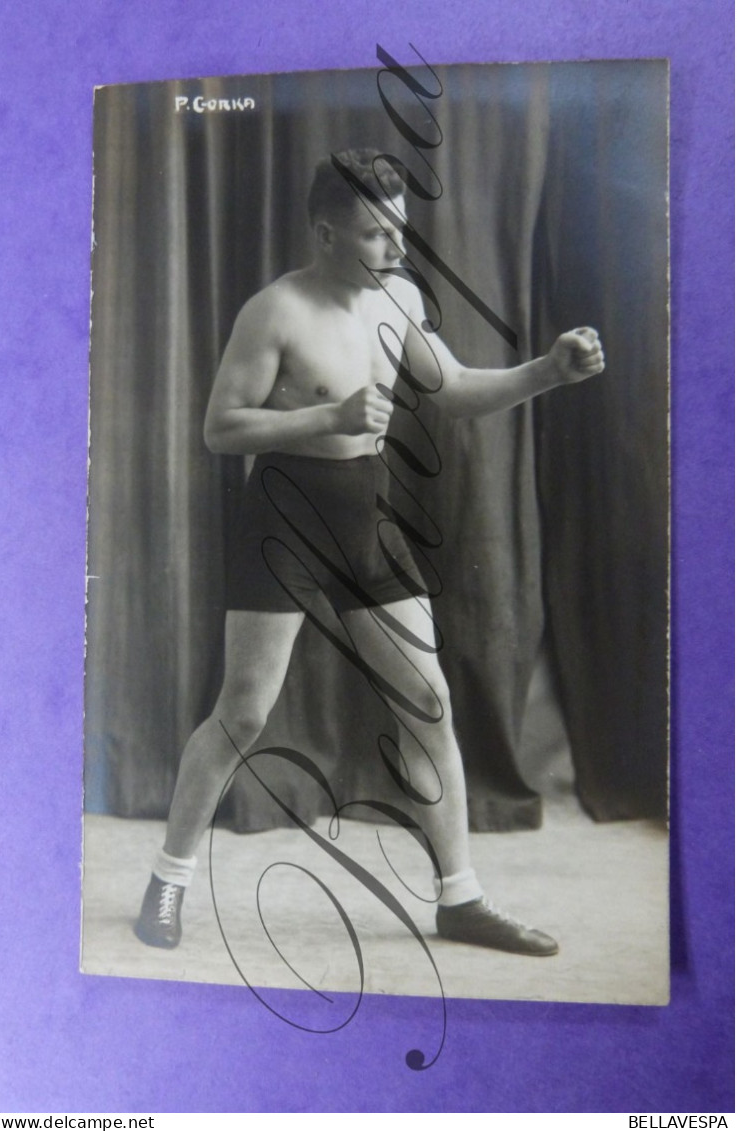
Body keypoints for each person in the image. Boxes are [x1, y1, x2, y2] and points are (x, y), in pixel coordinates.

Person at [135, 148, 605, 956]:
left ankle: (461, 899)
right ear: (326, 232)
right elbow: (221, 428)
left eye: (400, 229)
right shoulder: (274, 311)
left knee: (429, 703)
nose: (395, 246)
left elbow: (451, 388)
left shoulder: (400, 297)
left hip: (364, 513)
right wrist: (327, 418)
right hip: (284, 515)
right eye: (376, 232)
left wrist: (547, 373)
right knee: (243, 713)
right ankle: (167, 881)